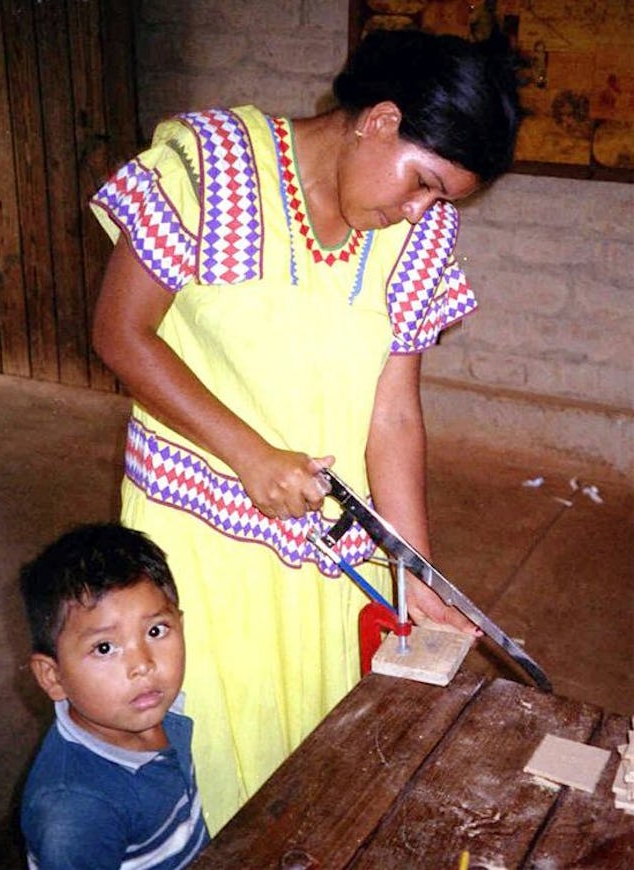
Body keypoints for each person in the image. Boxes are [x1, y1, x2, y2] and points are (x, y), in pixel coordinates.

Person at [90, 28, 523, 833]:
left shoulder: (418, 235)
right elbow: (121, 334)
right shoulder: (212, 168)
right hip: (200, 544)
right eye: (423, 184)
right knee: (213, 749)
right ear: (380, 120)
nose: (418, 210)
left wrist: (414, 569)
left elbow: (393, 411)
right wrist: (250, 455)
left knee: (317, 759)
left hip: (327, 543)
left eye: (441, 200)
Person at [19, 523, 210, 869]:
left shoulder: (152, 708)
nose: (143, 665)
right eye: (105, 648)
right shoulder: (75, 813)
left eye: (156, 631)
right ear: (53, 676)